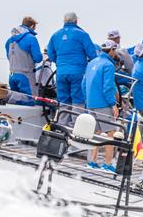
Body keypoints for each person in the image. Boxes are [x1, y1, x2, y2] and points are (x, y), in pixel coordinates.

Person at [46, 12, 96, 123]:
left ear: (64, 21)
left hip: (61, 73)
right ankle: (75, 125)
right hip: (78, 72)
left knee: (63, 99)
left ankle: (62, 125)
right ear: (76, 21)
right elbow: (92, 54)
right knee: (78, 99)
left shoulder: (55, 35)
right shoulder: (82, 34)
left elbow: (50, 53)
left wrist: (60, 63)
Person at [82, 40, 120, 172]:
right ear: (112, 50)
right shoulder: (108, 65)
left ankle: (92, 161)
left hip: (91, 103)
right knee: (111, 133)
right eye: (115, 50)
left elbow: (84, 83)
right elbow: (108, 87)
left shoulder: (92, 62)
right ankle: (108, 164)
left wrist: (87, 100)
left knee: (95, 132)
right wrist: (113, 104)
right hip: (103, 103)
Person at [5, 16, 43, 105]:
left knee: (15, 101)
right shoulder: (31, 38)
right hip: (26, 75)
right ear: (32, 26)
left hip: (12, 75)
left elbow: (8, 56)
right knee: (31, 100)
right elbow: (38, 58)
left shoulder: (9, 40)